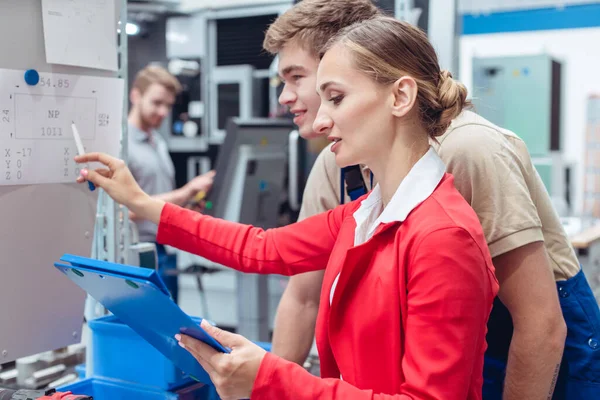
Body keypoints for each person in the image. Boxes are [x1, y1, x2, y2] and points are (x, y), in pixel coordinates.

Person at [76, 16, 499, 399]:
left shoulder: (443, 237)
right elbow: (261, 247)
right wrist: (141, 203)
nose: (319, 121)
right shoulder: (367, 214)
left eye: (335, 98)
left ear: (400, 96)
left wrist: (270, 378)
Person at [266, 1, 600, 399]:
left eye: (297, 77)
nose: (286, 97)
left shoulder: (469, 151)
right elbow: (303, 296)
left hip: (533, 362)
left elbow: (541, 324)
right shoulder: (333, 166)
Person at [127, 65, 215, 303]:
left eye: (168, 105)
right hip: (139, 253)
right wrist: (186, 191)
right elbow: (127, 211)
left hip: (166, 249)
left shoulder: (158, 142)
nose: (163, 112)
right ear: (135, 95)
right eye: (157, 103)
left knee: (170, 332)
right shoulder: (123, 146)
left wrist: (187, 204)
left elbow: (158, 199)